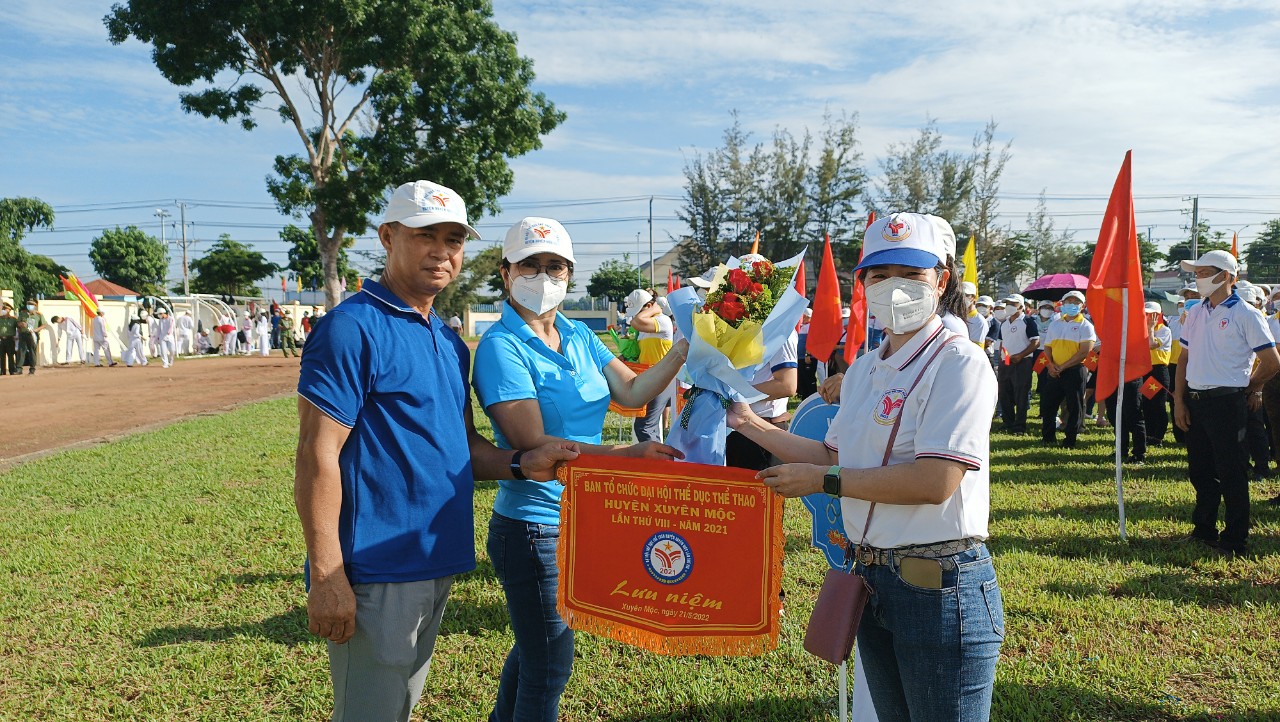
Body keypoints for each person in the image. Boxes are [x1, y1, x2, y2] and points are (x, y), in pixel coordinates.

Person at [296, 180, 581, 722]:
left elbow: (463, 450)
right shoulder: (351, 329)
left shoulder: (448, 342)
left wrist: (523, 463)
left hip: (438, 557)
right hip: (376, 567)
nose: (441, 250)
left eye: (453, 239)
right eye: (425, 234)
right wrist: (328, 573)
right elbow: (317, 455)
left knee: (401, 706)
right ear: (387, 236)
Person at [728, 211, 1002, 720]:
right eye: (878, 276)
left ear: (940, 282)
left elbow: (935, 480)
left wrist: (826, 483)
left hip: (938, 587)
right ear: (863, 286)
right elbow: (830, 454)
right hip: (871, 578)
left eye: (911, 276)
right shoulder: (864, 370)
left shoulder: (959, 362)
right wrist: (747, 422)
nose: (892, 289)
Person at [472, 216, 687, 722]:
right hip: (533, 527)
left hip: (584, 517)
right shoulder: (501, 348)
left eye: (556, 267)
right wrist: (628, 459)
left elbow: (631, 392)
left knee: (532, 655)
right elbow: (536, 448)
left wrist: (685, 350)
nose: (544, 277)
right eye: (531, 265)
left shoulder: (576, 333)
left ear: (570, 275)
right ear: (506, 273)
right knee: (549, 669)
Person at [1174, 250, 1279, 559]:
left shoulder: (1245, 313)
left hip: (1227, 404)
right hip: (1196, 402)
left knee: (1232, 472)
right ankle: (1203, 530)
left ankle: (1234, 539)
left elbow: (1272, 362)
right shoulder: (1194, 312)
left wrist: (1251, 386)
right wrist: (1179, 401)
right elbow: (1184, 359)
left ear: (1226, 276)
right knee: (1201, 471)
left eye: (1204, 272)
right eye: (1197, 272)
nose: (1198, 278)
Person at [1039, 291, 1096, 448]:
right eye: (1068, 301)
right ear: (1062, 304)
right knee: (1048, 405)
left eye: (1076, 302)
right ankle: (1048, 436)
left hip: (1075, 371)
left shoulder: (1086, 326)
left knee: (1074, 406)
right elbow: (1047, 347)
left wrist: (1062, 366)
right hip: (1054, 370)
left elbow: (1084, 351)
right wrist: (1051, 365)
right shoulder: (1055, 324)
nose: (1072, 304)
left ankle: (1070, 439)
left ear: (1082, 306)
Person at [627, 288, 679, 443]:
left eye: (639, 310)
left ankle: (658, 463)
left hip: (663, 377)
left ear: (649, 305)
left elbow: (636, 322)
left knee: (645, 427)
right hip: (649, 378)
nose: (636, 315)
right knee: (647, 426)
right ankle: (655, 461)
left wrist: (655, 308)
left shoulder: (662, 320)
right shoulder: (645, 326)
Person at [997, 293, 1039, 434]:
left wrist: (1021, 355)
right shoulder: (1004, 323)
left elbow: (1035, 342)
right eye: (1007, 303)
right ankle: (1008, 422)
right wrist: (1001, 358)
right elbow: (1002, 342)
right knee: (1004, 393)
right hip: (1006, 362)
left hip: (1022, 362)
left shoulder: (1028, 321)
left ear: (1020, 306)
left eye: (1012, 304)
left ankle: (1019, 426)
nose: (1009, 306)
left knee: (1021, 394)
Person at [1143, 301, 1173, 447]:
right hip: (1145, 370)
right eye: (1145, 314)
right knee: (1147, 405)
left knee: (1158, 405)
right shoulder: (1143, 329)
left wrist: (1149, 328)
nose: (1147, 317)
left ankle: (1158, 437)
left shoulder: (1164, 330)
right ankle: (1149, 435)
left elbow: (1151, 344)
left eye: (1151, 314)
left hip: (1159, 370)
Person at [16, 301, 43, 374]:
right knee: (21, 351)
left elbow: (44, 324)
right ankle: (19, 369)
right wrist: (21, 324)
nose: (29, 306)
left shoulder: (38, 315)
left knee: (32, 352)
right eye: (28, 305)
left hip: (33, 335)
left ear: (35, 306)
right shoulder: (22, 314)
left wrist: (36, 330)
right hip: (23, 334)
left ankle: (32, 369)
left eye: (31, 305)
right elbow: (18, 323)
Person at [0, 302, 18, 375]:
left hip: (10, 339)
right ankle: (2, 371)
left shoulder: (13, 319)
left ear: (9, 311)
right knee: (1, 356)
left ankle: (12, 370)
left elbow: (19, 328)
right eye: (3, 309)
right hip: (1, 339)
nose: (4, 311)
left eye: (6, 309)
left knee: (10, 356)